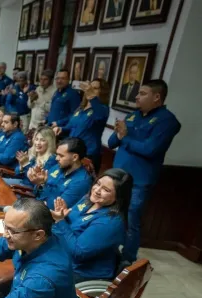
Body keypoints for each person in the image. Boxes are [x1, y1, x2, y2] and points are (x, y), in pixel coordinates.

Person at [108, 79, 180, 263]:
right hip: (117, 177)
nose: (137, 97)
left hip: (138, 181)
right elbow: (111, 143)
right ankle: (107, 254)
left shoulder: (167, 121)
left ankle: (127, 261)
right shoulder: (133, 116)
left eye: (142, 93)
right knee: (110, 217)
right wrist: (118, 134)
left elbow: (150, 149)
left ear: (157, 97)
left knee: (131, 222)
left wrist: (125, 136)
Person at [51, 168, 133, 283]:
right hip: (63, 256)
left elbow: (77, 253)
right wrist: (63, 216)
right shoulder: (88, 199)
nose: (97, 190)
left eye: (106, 190)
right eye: (98, 183)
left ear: (118, 197)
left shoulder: (109, 222)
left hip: (81, 273)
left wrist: (60, 221)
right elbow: (72, 223)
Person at [54, 79, 110, 172]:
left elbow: (100, 116)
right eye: (89, 88)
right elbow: (71, 127)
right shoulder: (81, 108)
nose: (90, 90)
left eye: (95, 88)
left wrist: (92, 97)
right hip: (71, 151)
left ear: (102, 92)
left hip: (88, 154)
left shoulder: (103, 109)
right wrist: (61, 129)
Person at [28, 138, 93, 210]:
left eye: (61, 156)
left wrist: (43, 185)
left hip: (45, 213)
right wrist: (39, 184)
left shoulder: (81, 182)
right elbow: (35, 192)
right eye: (57, 154)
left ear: (75, 157)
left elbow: (54, 207)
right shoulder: (58, 166)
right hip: (35, 204)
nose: (56, 158)